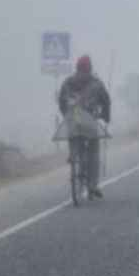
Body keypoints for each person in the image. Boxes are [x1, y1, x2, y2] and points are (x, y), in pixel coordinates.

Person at [58, 55, 111, 198]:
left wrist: (66, 115)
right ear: (90, 68)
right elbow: (106, 101)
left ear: (77, 67)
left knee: (73, 136)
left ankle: (73, 154)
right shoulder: (96, 83)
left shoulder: (68, 82)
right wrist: (106, 116)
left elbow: (61, 101)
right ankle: (92, 185)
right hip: (89, 123)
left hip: (73, 121)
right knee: (94, 151)